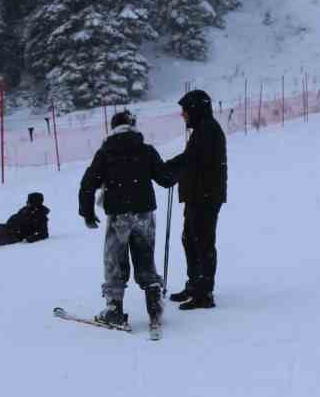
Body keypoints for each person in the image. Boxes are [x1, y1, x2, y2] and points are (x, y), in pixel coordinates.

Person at [79, 111, 175, 328]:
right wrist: (177, 168)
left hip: (118, 215)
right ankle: (154, 307)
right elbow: (166, 178)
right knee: (145, 258)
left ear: (112, 128)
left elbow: (87, 184)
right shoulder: (146, 150)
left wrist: (87, 212)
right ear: (134, 127)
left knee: (115, 260)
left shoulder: (105, 153)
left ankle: (114, 311)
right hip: (144, 214)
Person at [166, 89, 228, 310]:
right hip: (197, 194)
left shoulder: (208, 131)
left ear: (195, 110)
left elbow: (192, 160)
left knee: (202, 242)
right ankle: (195, 284)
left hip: (206, 195)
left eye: (185, 110)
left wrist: (169, 169)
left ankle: (204, 292)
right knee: (190, 239)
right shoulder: (202, 130)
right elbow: (190, 161)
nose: (183, 115)